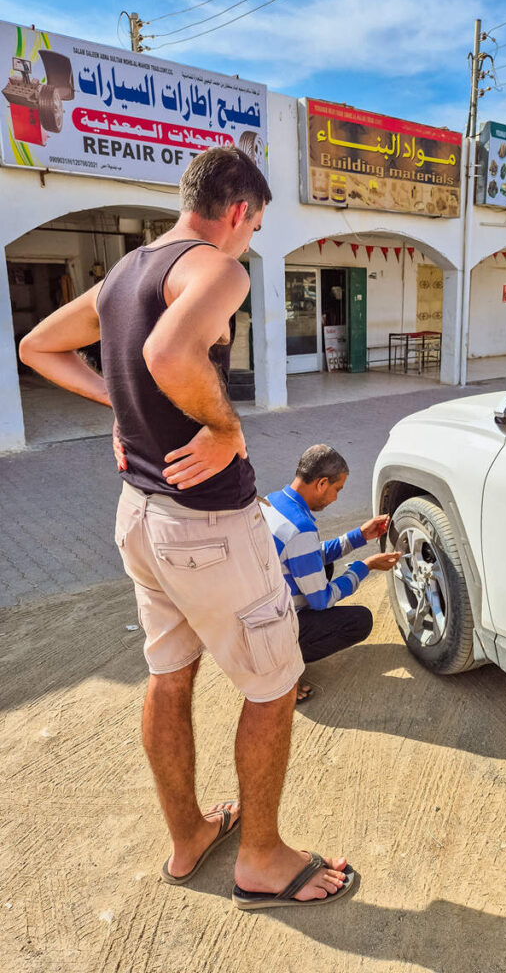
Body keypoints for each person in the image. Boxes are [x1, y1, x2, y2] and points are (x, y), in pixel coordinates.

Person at [18, 147, 354, 911]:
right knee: (273, 688)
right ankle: (262, 859)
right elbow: (167, 350)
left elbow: (38, 346)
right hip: (206, 528)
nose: (248, 245)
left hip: (138, 515)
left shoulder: (127, 273)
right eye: (255, 227)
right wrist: (226, 426)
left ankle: (189, 835)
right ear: (238, 211)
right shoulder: (218, 266)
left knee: (170, 678)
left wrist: (123, 407)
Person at [264, 445, 401, 701]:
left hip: (259, 610)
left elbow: (308, 554)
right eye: (337, 490)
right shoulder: (301, 529)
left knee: (322, 565)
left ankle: (276, 654)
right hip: (270, 628)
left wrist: (358, 536)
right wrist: (366, 566)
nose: (336, 498)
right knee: (359, 621)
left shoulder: (274, 501)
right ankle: (279, 670)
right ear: (322, 482)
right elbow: (322, 600)